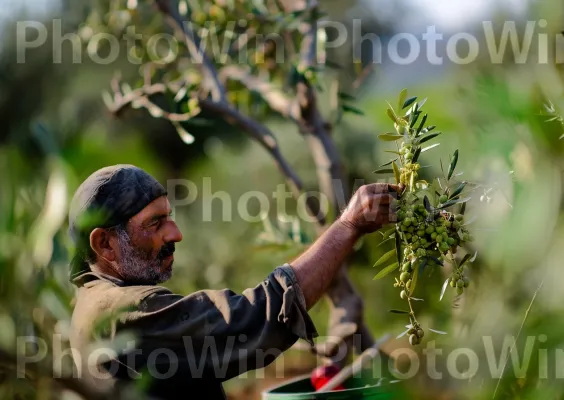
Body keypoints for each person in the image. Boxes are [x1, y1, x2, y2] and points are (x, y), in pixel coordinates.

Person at [67, 164, 403, 399]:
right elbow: (247, 320)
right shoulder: (122, 310)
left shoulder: (89, 299)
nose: (176, 234)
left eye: (169, 217)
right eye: (155, 223)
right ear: (104, 244)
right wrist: (347, 227)